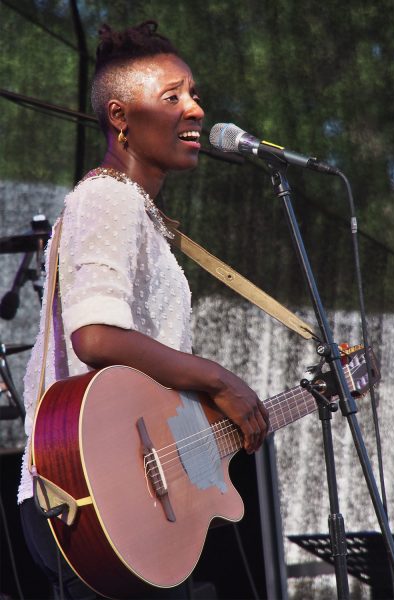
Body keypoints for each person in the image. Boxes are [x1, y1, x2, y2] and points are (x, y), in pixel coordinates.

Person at [17, 21, 269, 599]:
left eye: (195, 94)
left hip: (128, 496)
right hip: (92, 496)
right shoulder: (107, 197)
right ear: (120, 117)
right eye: (172, 96)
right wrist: (219, 379)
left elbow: (144, 387)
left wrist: (222, 439)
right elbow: (96, 337)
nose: (196, 110)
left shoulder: (139, 214)